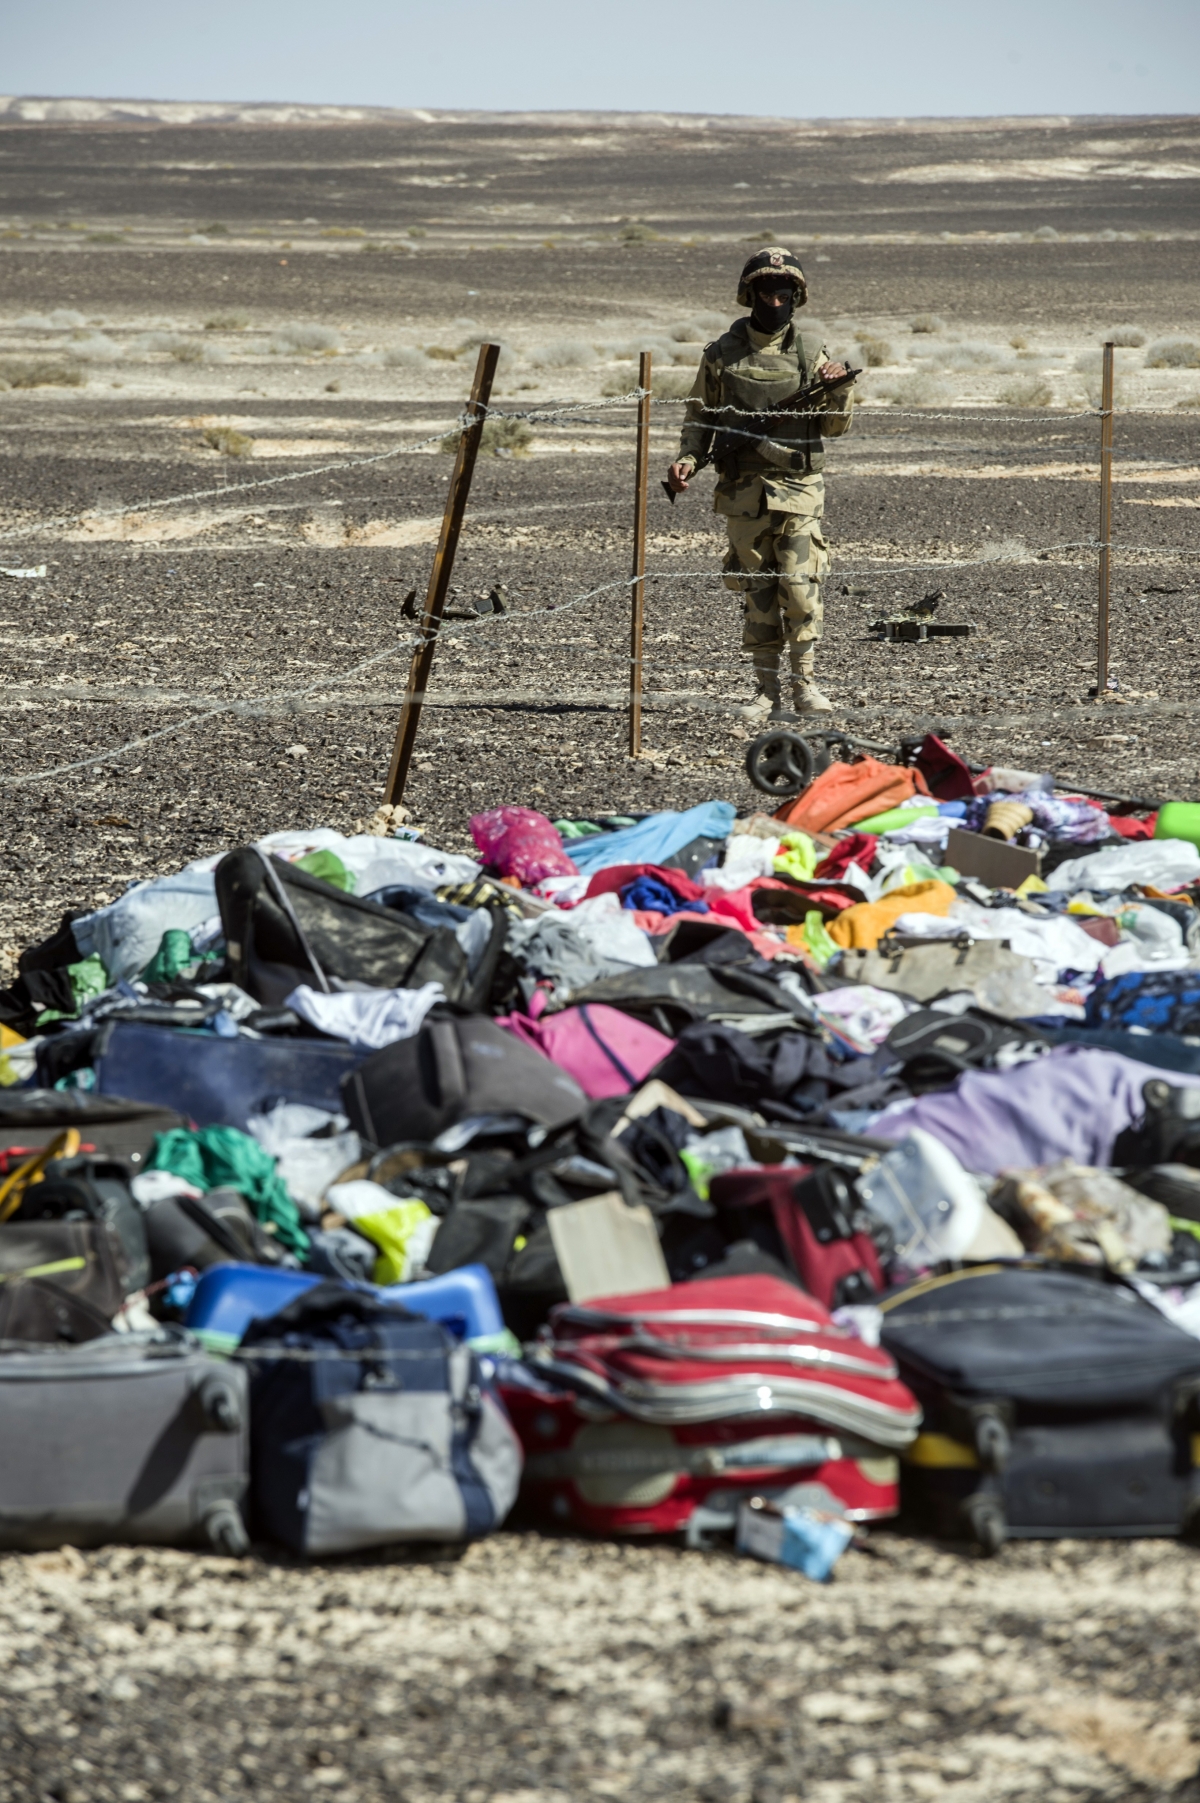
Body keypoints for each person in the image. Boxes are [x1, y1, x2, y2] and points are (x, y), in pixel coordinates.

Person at [666, 246, 855, 720]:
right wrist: (687, 459)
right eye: (766, 291)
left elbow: (834, 429)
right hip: (743, 492)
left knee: (799, 585)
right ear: (750, 294)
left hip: (798, 487)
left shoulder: (812, 353)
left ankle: (805, 687)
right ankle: (766, 691)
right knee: (758, 590)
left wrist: (840, 389)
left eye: (785, 291)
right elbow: (699, 417)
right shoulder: (721, 355)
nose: (775, 301)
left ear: (797, 295)